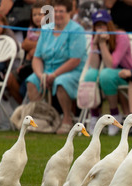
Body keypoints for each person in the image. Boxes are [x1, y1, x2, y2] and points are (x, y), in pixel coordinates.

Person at [25, 0, 87, 134]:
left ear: (69, 13)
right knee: (32, 81)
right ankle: (42, 117)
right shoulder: (46, 29)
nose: (58, 14)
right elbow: (37, 57)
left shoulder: (76, 30)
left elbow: (75, 60)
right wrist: (41, 75)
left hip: (73, 71)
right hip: (47, 71)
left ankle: (67, 119)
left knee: (61, 82)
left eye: (61, 11)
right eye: (56, 11)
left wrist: (54, 75)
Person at [82, 9, 132, 135]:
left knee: (106, 74)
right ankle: (94, 115)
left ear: (109, 24)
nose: (101, 29)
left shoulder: (121, 36)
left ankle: (115, 113)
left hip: (127, 75)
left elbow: (112, 64)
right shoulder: (95, 38)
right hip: (107, 74)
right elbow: (94, 66)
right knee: (90, 74)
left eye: (103, 25)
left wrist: (103, 44)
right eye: (98, 26)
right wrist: (95, 45)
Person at [7, 0, 47, 104]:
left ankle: (32, 107)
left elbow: (45, 46)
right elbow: (24, 45)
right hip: (27, 63)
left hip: (42, 65)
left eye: (40, 14)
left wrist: (33, 48)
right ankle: (23, 107)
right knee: (10, 79)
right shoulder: (31, 30)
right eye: (34, 15)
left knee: (25, 86)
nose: (37, 17)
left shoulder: (50, 30)